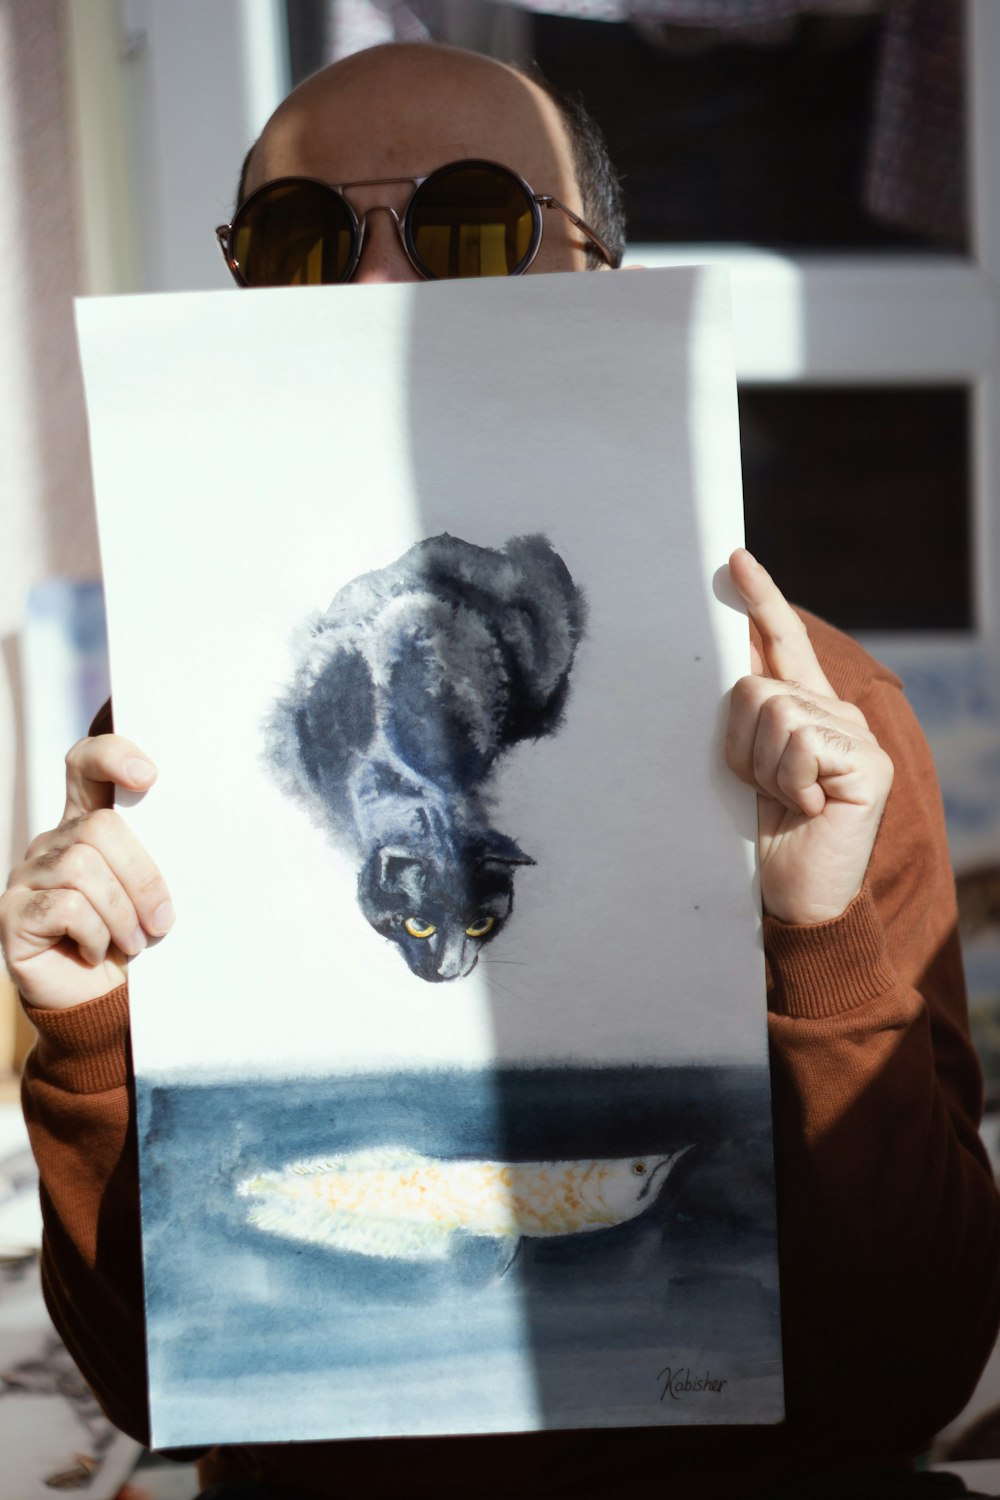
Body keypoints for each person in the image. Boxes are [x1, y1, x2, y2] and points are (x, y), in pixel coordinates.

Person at [3, 40, 999, 1500]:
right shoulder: (186, 717)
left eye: (471, 225)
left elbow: (912, 1367)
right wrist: (81, 1042)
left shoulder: (823, 719)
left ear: (604, 276)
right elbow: (176, 1387)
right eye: (302, 243)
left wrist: (816, 940)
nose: (376, 293)